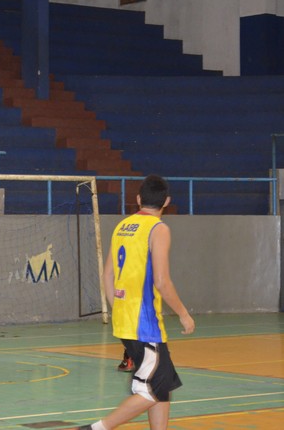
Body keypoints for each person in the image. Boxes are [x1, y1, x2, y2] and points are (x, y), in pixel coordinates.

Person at [78, 175, 195, 430]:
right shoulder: (158, 229)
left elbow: (107, 275)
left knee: (163, 386)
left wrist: (117, 306)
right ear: (167, 201)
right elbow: (162, 281)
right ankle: (96, 428)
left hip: (125, 320)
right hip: (146, 323)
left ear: (139, 199)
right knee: (151, 390)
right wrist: (184, 314)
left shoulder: (122, 226)